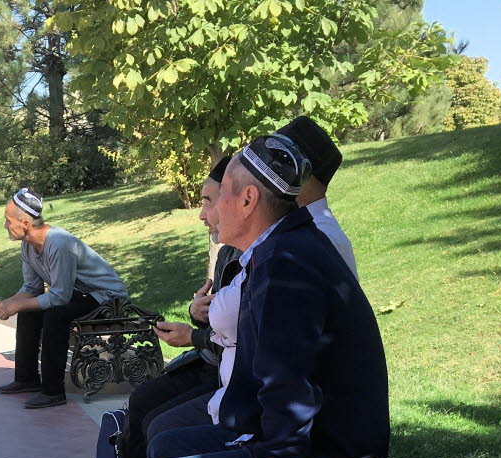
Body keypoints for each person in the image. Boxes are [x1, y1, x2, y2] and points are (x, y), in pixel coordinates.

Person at [133, 135, 390, 458]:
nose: (209, 208)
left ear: (247, 201)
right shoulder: (283, 247)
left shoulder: (286, 266)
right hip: (310, 441)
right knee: (168, 445)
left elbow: (290, 392)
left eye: (219, 194)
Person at [145, 115, 358, 440]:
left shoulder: (310, 239)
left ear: (300, 171)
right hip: (249, 395)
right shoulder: (288, 235)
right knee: (154, 427)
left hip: (279, 417)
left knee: (161, 442)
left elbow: (266, 339)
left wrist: (198, 332)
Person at [115, 157, 243, 458]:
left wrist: (193, 334)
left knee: (161, 427)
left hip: (228, 378)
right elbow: (220, 317)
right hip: (211, 362)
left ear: (244, 200)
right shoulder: (231, 251)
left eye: (207, 201)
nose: (202, 215)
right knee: (142, 401)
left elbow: (245, 342)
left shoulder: (264, 258)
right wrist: (196, 313)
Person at [0, 188, 128, 409]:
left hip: (108, 298)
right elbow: (31, 287)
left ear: (25, 223)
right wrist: (7, 304)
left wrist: (16, 305)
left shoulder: (59, 244)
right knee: (30, 311)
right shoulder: (28, 246)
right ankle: (26, 378)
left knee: (56, 315)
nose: (5, 226)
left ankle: (53, 392)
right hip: (81, 294)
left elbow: (59, 296)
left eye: (8, 221)